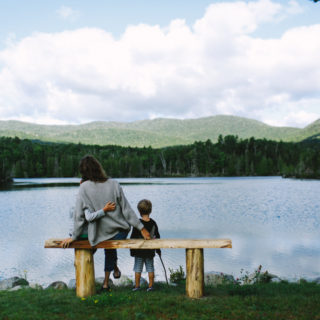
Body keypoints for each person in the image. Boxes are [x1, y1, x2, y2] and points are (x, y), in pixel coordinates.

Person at [61, 155, 151, 292]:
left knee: (94, 244)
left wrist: (73, 237)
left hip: (98, 235)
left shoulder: (83, 188)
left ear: (83, 173)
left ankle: (96, 282)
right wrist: (142, 228)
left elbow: (79, 218)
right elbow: (127, 210)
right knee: (109, 245)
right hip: (120, 233)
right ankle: (107, 279)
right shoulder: (114, 184)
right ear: (99, 167)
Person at [130, 199, 161, 292]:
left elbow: (133, 238)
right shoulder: (153, 223)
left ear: (139, 211)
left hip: (139, 251)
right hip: (150, 251)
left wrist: (132, 251)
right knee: (150, 268)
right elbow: (157, 238)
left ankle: (137, 286)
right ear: (150, 210)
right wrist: (158, 250)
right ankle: (151, 286)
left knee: (137, 269)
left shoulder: (138, 224)